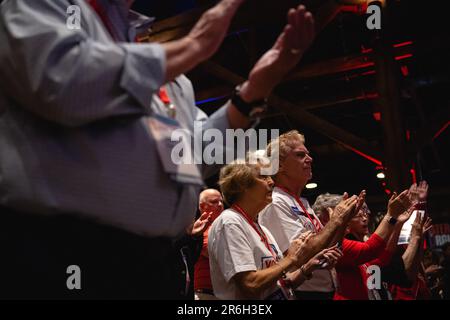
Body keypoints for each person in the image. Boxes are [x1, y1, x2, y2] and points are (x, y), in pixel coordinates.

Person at [0, 0, 316, 298]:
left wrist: (253, 90)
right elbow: (65, 84)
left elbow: (195, 154)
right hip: (64, 252)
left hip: (157, 261)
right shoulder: (45, 7)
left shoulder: (165, 70)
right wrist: (194, 46)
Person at [208, 158, 343, 300]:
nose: (271, 182)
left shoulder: (262, 229)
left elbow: (280, 284)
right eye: (263, 177)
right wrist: (291, 258)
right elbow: (251, 284)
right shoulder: (230, 222)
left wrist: (307, 267)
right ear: (241, 185)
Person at [259, 130, 364, 300]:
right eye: (300, 155)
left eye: (308, 154)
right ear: (279, 165)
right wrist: (336, 220)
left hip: (323, 290)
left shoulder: (302, 202)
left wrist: (343, 220)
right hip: (301, 292)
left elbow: (330, 246)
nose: (310, 159)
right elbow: (301, 255)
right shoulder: (276, 202)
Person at [193, 189, 224, 300]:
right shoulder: (201, 230)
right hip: (206, 295)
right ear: (202, 206)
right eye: (214, 202)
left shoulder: (222, 227)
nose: (220, 205)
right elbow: (215, 255)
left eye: (221, 201)